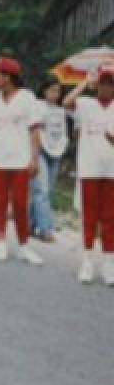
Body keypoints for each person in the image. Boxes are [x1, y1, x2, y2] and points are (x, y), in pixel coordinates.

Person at [0, 57, 44, 264]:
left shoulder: (27, 98)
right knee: (0, 201)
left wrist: (34, 157)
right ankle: (0, 240)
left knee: (20, 204)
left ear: (8, 77)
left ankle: (24, 244)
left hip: (20, 159)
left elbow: (34, 129)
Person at [63, 66, 114, 284]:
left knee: (110, 218)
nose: (106, 87)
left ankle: (109, 262)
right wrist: (85, 81)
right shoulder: (86, 104)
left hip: (111, 170)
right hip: (89, 168)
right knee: (89, 217)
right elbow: (67, 102)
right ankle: (87, 260)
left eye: (110, 83)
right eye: (103, 82)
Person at [31, 78, 69, 242]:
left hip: (56, 151)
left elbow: (63, 131)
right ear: (44, 90)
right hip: (40, 150)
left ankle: (31, 224)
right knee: (42, 190)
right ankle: (45, 229)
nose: (54, 94)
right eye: (51, 90)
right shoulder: (37, 106)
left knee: (47, 190)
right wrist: (34, 152)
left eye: (57, 91)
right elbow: (34, 129)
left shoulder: (61, 110)